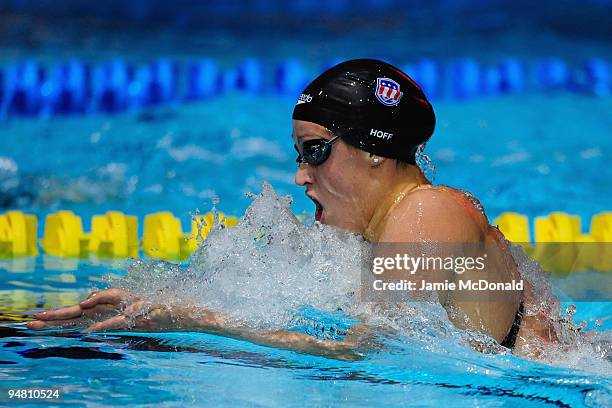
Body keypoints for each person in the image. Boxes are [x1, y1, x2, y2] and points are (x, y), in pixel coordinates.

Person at [28, 59, 557, 358]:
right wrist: (152, 308)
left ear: (374, 150)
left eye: (316, 150)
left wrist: (196, 321)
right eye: (299, 154)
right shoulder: (372, 235)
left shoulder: (428, 211)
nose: (300, 175)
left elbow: (366, 355)